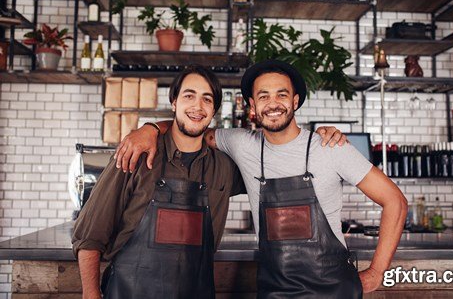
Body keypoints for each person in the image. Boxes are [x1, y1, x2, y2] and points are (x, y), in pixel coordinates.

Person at [115, 60, 408, 298]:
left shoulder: (330, 147)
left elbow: (394, 200)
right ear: (252, 106)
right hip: (274, 291)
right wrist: (150, 128)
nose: (273, 103)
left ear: (295, 101)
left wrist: (377, 271)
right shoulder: (241, 143)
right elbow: (191, 126)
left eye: (281, 94)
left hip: (334, 291)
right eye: (263, 96)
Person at [72, 66, 248, 299]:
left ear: (214, 110)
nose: (197, 106)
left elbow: (271, 162)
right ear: (174, 103)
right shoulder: (134, 154)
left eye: (207, 99)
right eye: (189, 96)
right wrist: (91, 294)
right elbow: (90, 233)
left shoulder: (223, 167)